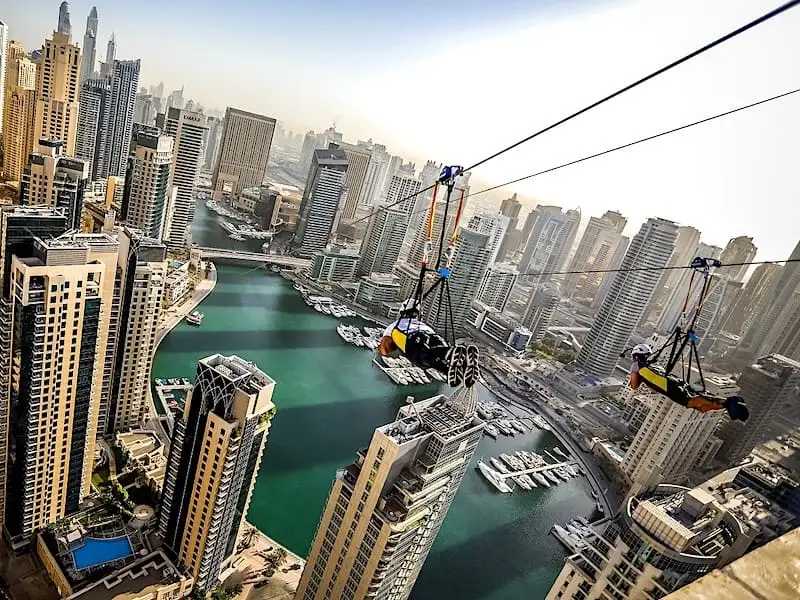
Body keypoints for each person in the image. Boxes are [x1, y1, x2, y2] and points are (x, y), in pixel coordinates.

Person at [629, 344, 749, 421]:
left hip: (669, 387)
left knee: (691, 402)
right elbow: (654, 382)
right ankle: (726, 404)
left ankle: (728, 402)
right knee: (701, 408)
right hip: (674, 383)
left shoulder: (636, 366)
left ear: (636, 355)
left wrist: (636, 378)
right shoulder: (652, 365)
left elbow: (634, 386)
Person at [379, 298, 479, 388]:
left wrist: (394, 345)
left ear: (402, 311)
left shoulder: (394, 326)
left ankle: (450, 367)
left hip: (414, 341)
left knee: (426, 358)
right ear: (418, 314)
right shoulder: (424, 325)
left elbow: (384, 350)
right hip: (433, 336)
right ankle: (457, 358)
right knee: (436, 357)